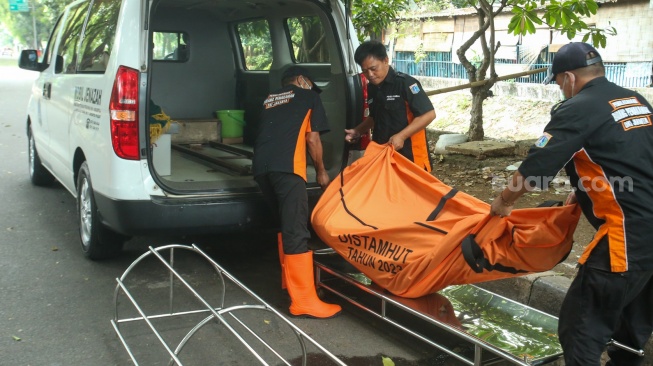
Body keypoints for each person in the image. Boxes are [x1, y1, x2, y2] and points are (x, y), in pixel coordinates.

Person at [489, 42, 653, 366]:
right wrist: (585, 188)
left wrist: (503, 202)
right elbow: (629, 158)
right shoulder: (635, 101)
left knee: (580, 330)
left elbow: (537, 166)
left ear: (567, 78)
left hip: (626, 237)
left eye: (559, 83)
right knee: (631, 330)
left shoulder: (578, 107)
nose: (561, 90)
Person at [252, 65, 341, 319]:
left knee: (284, 225)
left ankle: (289, 286)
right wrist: (322, 171)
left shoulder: (270, 99)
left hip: (262, 170)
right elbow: (313, 139)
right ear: (302, 80)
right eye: (312, 85)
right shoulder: (309, 96)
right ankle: (303, 301)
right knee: (297, 230)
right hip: (288, 170)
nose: (314, 90)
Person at [345, 40, 436, 172]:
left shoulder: (405, 83)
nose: (370, 74)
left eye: (373, 69)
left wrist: (402, 136)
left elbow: (428, 114)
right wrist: (358, 131)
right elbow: (375, 117)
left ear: (385, 60)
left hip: (410, 157)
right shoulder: (372, 88)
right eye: (365, 71)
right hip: (385, 155)